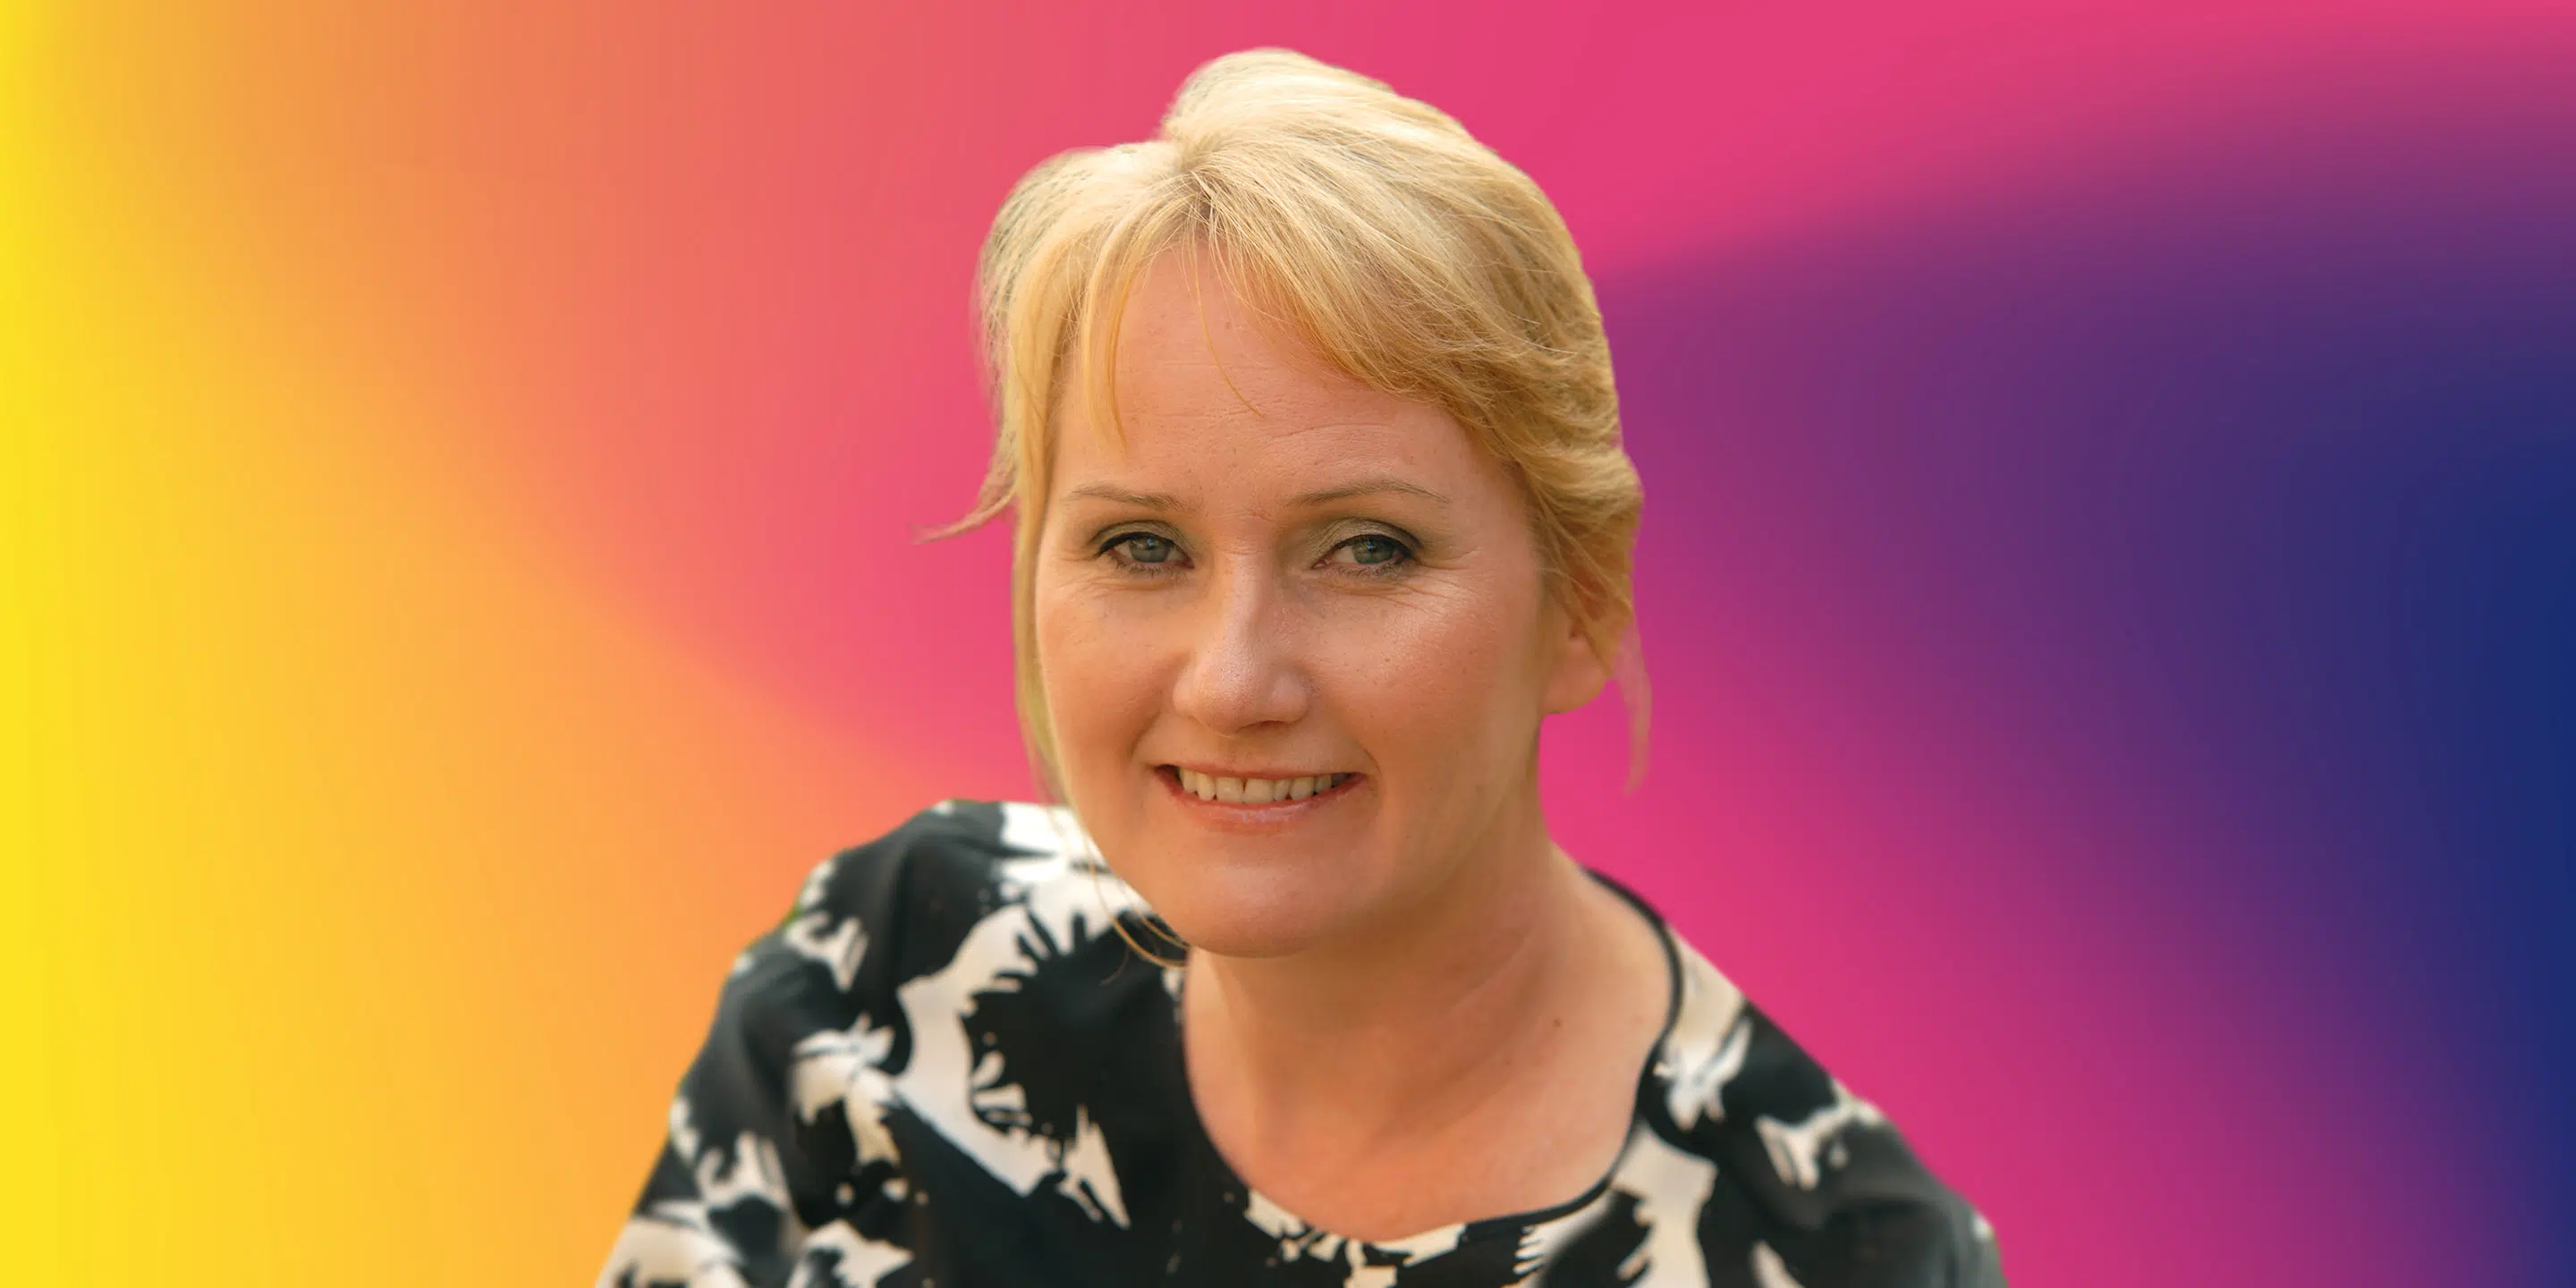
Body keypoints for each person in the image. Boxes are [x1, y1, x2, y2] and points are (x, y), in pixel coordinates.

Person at [597, 47, 2003, 1288]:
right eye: (1142, 546)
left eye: (1369, 550)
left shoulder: (1844, 1257)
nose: (1231, 683)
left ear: (1580, 600)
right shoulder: (880, 981)